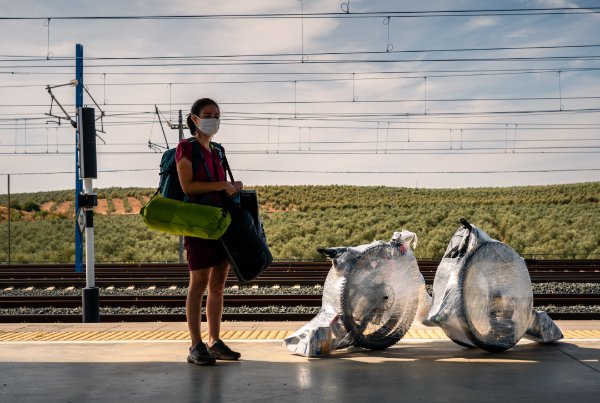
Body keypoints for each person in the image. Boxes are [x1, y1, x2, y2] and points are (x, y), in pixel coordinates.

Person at [176, 98, 243, 365]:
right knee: (199, 284)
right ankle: (195, 345)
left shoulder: (218, 150)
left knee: (217, 286)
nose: (213, 119)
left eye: (216, 115)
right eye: (207, 114)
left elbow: (221, 184)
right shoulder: (186, 148)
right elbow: (188, 187)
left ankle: (214, 341)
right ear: (194, 119)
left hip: (221, 223)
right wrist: (220, 185)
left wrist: (233, 186)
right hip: (199, 224)